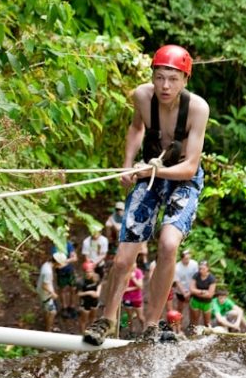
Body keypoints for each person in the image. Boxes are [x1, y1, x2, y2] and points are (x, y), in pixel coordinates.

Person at [84, 45, 210, 346]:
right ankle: (107, 319)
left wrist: (148, 171)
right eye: (159, 77)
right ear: (152, 77)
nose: (165, 86)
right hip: (147, 173)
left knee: (168, 244)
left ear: (185, 80)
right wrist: (127, 166)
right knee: (124, 255)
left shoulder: (197, 109)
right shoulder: (141, 96)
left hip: (181, 179)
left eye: (173, 79)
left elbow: (191, 167)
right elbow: (136, 127)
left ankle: (152, 323)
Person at [36, 252, 66, 332]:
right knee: (53, 312)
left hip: (44, 292)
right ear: (57, 262)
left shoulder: (46, 264)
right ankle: (48, 330)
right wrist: (53, 293)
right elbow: (44, 285)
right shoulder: (48, 272)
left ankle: (47, 323)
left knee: (47, 310)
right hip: (46, 295)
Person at [188, 259, 216, 329]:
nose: (201, 270)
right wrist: (203, 292)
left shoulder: (211, 279)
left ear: (207, 268)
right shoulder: (196, 275)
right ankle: (193, 334)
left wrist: (196, 291)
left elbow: (210, 295)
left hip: (206, 303)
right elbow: (191, 289)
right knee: (194, 320)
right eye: (200, 268)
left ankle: (207, 335)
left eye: (203, 269)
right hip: (196, 301)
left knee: (207, 322)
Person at [75, 260, 101, 334]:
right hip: (85, 302)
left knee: (93, 318)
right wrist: (89, 293)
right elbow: (78, 294)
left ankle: (92, 332)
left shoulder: (96, 277)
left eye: (90, 272)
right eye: (87, 272)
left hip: (94, 301)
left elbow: (99, 285)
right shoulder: (81, 281)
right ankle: (82, 334)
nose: (88, 274)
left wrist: (98, 292)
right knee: (84, 320)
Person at [172, 249, 198, 321]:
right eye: (186, 258)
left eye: (189, 258)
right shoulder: (177, 267)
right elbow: (177, 281)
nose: (188, 260)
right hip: (181, 291)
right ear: (182, 258)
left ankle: (192, 324)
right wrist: (184, 293)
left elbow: (196, 278)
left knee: (192, 307)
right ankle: (178, 324)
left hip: (192, 289)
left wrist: (190, 291)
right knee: (180, 307)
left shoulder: (194, 264)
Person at [121, 263, 145, 337]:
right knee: (129, 316)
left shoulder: (138, 272)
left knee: (140, 317)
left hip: (137, 298)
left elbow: (140, 286)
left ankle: (145, 330)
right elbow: (123, 288)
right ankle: (131, 331)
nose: (133, 268)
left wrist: (133, 278)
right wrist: (135, 287)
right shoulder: (124, 272)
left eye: (135, 266)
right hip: (127, 298)